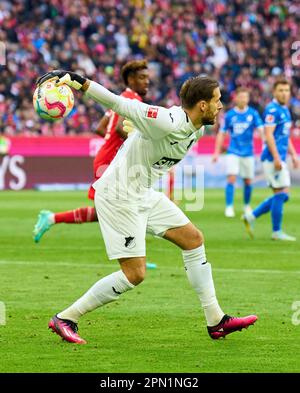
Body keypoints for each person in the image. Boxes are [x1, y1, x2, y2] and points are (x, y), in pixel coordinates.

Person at [36, 70, 257, 344]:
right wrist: (77, 81)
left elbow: (149, 144)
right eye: (217, 100)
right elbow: (119, 104)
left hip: (142, 193)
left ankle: (216, 321)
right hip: (119, 196)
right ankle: (66, 317)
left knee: (193, 239)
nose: (221, 105)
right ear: (203, 105)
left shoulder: (196, 130)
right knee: (135, 274)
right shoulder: (168, 120)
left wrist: (136, 132)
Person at [33, 60, 150, 243]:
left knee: (112, 210)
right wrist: (141, 146)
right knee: (124, 208)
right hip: (111, 161)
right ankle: (134, 254)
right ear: (131, 79)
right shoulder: (132, 99)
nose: (147, 82)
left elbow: (101, 128)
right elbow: (120, 129)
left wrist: (114, 144)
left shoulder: (120, 99)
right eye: (143, 78)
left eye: (147, 78)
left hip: (107, 157)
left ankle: (52, 218)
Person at [243, 79, 299, 241]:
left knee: (282, 195)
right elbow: (268, 135)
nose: (284, 93)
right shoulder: (272, 110)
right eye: (281, 90)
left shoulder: (285, 110)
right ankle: (276, 231)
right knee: (281, 194)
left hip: (279, 157)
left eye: (286, 90)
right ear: (274, 92)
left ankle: (251, 216)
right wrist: (276, 158)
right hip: (271, 158)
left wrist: (293, 154)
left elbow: (284, 136)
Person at [212, 88, 263, 217]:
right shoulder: (230, 115)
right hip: (233, 151)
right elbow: (221, 134)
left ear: (248, 99)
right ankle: (229, 207)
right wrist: (216, 152)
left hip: (248, 152)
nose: (243, 99)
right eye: (240, 97)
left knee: (248, 181)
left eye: (245, 97)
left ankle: (246, 206)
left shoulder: (253, 113)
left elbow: (262, 131)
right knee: (231, 178)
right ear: (236, 98)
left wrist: (265, 146)